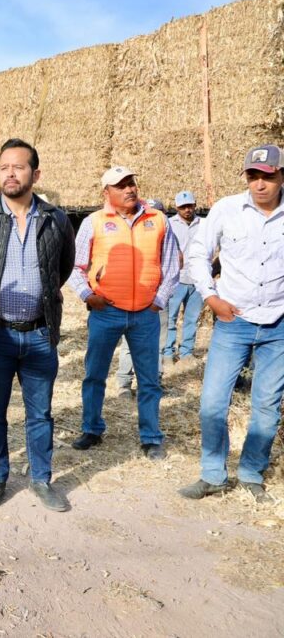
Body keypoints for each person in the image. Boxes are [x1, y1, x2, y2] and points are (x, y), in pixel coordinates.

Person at [0, 138, 76, 512]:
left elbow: (62, 267)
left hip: (39, 334)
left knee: (40, 413)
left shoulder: (55, 220)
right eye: (4, 166)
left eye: (18, 166)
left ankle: (41, 479)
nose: (9, 173)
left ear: (35, 174)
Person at [179, 145, 284, 503]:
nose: (259, 185)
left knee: (266, 409)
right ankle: (213, 475)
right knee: (211, 403)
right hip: (233, 321)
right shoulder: (226, 210)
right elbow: (197, 254)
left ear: (281, 175)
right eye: (253, 176)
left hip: (278, 327)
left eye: (267, 176)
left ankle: (252, 472)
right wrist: (210, 297)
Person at [68, 166, 179, 460]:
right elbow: (75, 267)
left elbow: (171, 267)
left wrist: (159, 300)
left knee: (149, 379)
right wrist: (88, 296)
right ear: (107, 193)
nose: (130, 189)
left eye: (132, 183)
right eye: (121, 185)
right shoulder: (93, 222)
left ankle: (151, 437)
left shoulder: (158, 220)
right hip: (106, 313)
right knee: (95, 375)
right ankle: (91, 429)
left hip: (145, 314)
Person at [113, 198, 170, 396]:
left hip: (156, 299)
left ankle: (153, 381)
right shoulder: (131, 237)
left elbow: (173, 264)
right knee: (129, 345)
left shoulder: (166, 234)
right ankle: (124, 384)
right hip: (134, 298)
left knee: (159, 344)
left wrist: (160, 299)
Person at [163, 190, 204, 367]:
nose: (187, 210)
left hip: (197, 279)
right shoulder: (169, 224)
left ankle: (187, 352)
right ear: (176, 208)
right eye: (182, 207)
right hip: (176, 278)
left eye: (190, 206)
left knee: (191, 318)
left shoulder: (205, 224)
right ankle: (167, 352)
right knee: (170, 318)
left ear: (195, 205)